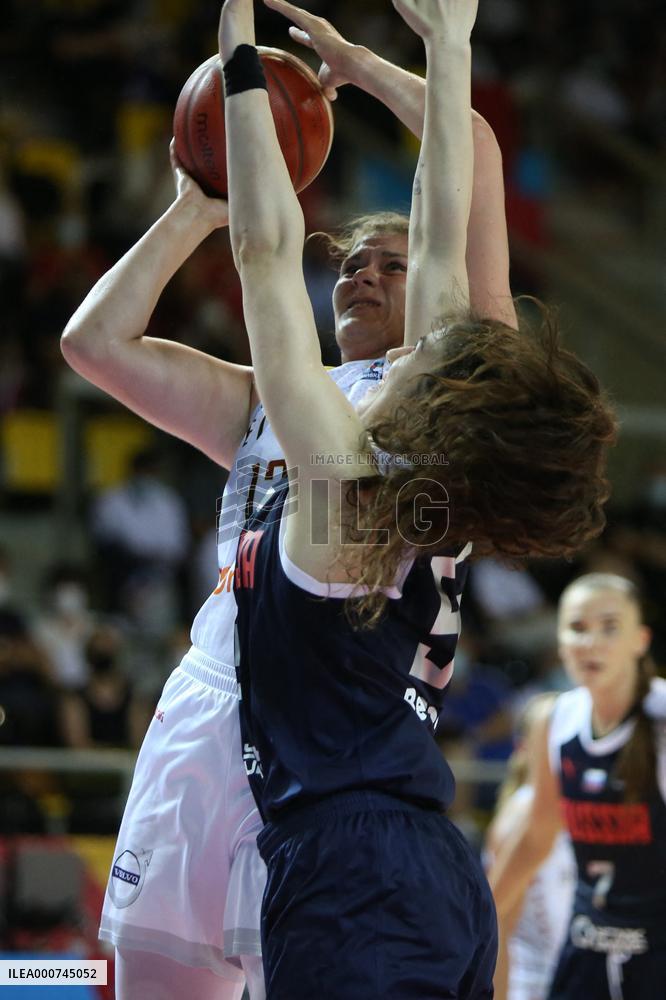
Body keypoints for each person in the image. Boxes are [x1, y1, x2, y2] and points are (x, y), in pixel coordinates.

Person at [60, 1, 519, 996]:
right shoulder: (279, 395)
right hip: (214, 695)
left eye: (393, 263)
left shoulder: (453, 384)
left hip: (336, 726)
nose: (364, 272)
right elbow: (94, 345)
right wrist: (198, 198)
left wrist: (390, 68)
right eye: (352, 260)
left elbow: (465, 167)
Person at [220, 0, 615, 994]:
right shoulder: (430, 487)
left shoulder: (345, 485)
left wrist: (234, 53)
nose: (432, 333)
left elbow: (265, 253)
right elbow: (441, 238)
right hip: (438, 876)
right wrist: (448, 48)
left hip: (351, 868)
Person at [489, 574, 666, 999]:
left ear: (640, 640)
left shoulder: (660, 717)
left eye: (609, 627)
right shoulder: (555, 719)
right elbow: (538, 834)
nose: (591, 642)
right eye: (578, 628)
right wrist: (485, 909)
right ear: (561, 643)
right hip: (587, 945)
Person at [485, 694, 576, 1000]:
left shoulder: (569, 807)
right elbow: (497, 923)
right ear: (525, 747)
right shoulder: (524, 813)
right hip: (533, 986)